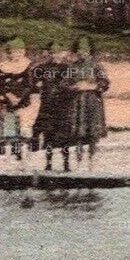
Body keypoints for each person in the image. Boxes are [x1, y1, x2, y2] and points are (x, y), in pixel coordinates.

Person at [66, 36, 110, 168]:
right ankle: (78, 161)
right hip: (77, 103)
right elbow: (65, 84)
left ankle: (91, 161)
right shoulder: (72, 67)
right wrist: (73, 87)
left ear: (90, 51)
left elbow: (105, 83)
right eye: (79, 50)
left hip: (92, 102)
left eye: (84, 50)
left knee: (92, 133)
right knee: (78, 134)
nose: (81, 53)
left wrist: (91, 86)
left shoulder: (97, 66)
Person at [30, 40, 73, 170]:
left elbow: (71, 85)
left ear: (62, 54)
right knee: (48, 133)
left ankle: (66, 164)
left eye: (57, 53)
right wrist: (39, 88)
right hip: (47, 104)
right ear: (48, 53)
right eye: (52, 53)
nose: (55, 55)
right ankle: (48, 163)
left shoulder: (67, 68)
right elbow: (31, 83)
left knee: (64, 134)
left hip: (62, 105)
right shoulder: (41, 68)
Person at [0, 36, 32, 158]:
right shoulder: (3, 67)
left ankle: (23, 154)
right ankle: (8, 155)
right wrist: (8, 95)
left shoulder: (26, 66)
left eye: (17, 52)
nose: (13, 55)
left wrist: (19, 98)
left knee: (24, 129)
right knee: (9, 129)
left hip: (23, 102)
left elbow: (29, 85)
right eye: (10, 52)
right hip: (8, 102)